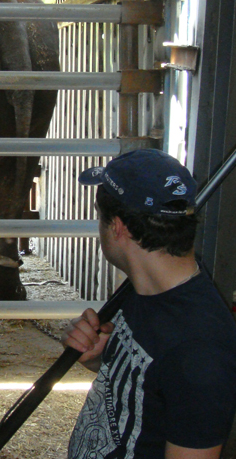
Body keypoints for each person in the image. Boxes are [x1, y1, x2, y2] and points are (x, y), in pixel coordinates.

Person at [62, 149, 236, 458]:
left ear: (117, 227)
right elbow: (151, 393)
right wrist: (102, 360)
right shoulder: (143, 290)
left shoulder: (201, 354)